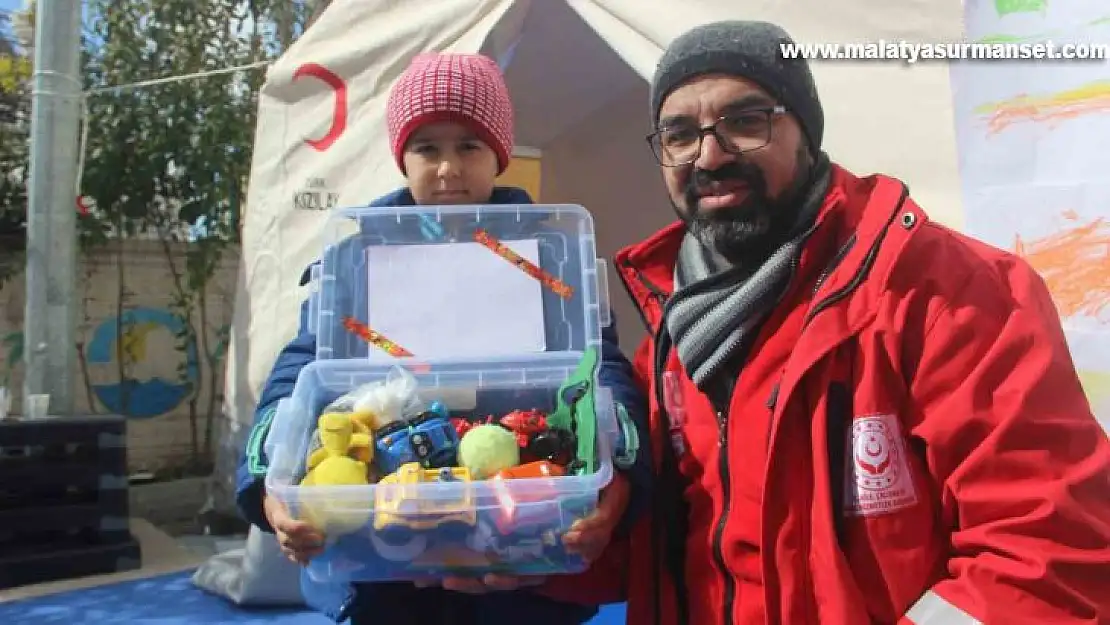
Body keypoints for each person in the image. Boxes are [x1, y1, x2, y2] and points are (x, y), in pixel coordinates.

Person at [565, 19, 1110, 625]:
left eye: (746, 122)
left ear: (807, 133)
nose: (710, 156)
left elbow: (1045, 555)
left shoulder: (947, 294)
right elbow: (655, 556)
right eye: (680, 135)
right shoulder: (670, 335)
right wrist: (543, 545)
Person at [234, 52, 650, 625]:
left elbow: (599, 367)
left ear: (499, 154)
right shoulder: (355, 260)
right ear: (401, 158)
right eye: (427, 148)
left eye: (469, 146)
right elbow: (303, 369)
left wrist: (619, 476)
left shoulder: (552, 256)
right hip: (387, 554)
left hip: (526, 543)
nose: (449, 168)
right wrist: (266, 483)